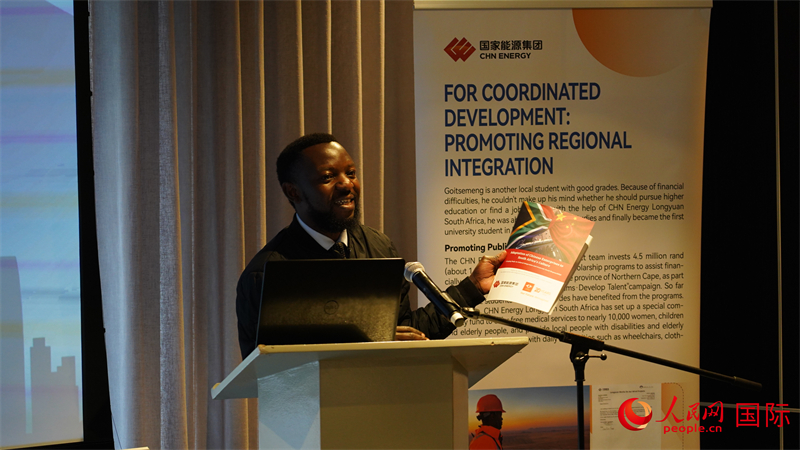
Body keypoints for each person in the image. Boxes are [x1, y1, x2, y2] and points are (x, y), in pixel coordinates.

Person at [235, 133, 506, 358]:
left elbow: (407, 331)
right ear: (293, 192)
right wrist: (368, 343)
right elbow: (266, 370)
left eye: (351, 173)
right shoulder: (266, 274)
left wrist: (472, 287)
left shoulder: (378, 246)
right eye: (328, 177)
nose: (347, 185)